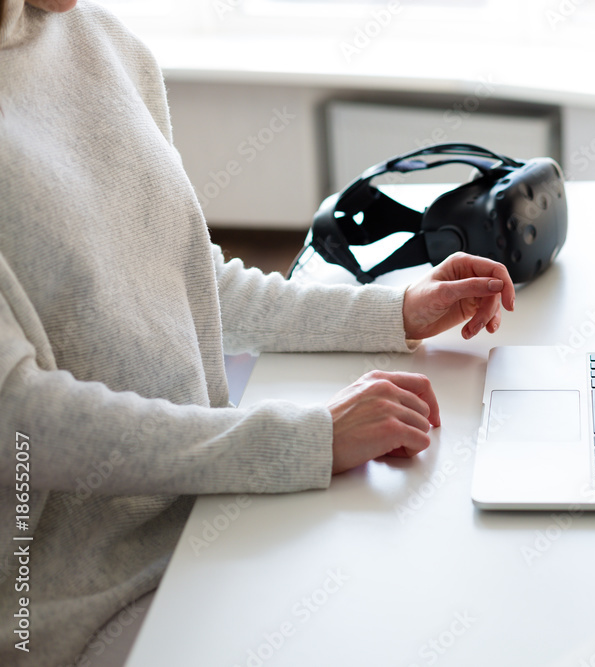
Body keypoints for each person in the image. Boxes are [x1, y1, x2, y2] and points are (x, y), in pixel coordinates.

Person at [0, 1, 515, 665]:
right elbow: (22, 421)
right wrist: (299, 441)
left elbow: (189, 275)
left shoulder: (106, 43)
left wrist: (393, 312)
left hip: (211, 511)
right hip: (83, 607)